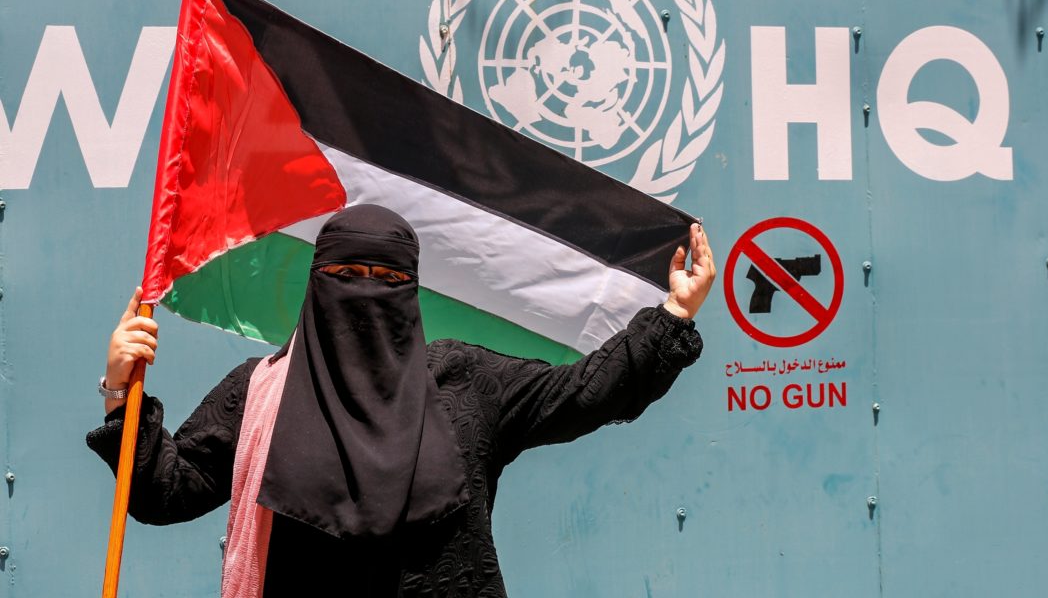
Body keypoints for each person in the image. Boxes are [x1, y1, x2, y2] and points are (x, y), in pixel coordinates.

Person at [88, 205, 715, 596]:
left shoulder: (463, 381)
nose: (367, 293)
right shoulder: (261, 393)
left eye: (388, 279)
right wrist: (121, 392)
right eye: (346, 277)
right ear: (316, 285)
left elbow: (581, 394)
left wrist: (673, 314)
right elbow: (167, 491)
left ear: (411, 291)